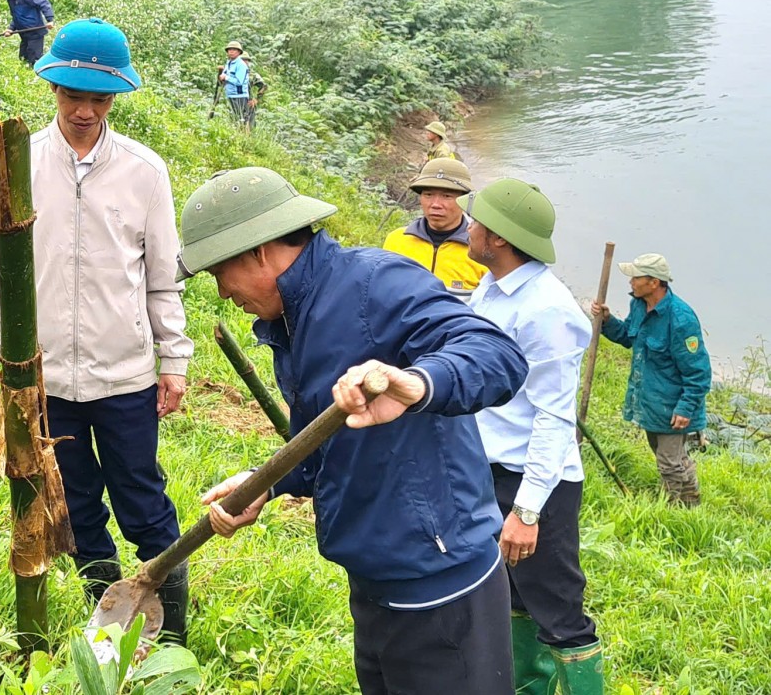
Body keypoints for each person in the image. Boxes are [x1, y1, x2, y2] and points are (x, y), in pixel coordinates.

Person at [183, 166, 528, 695]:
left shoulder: (376, 283)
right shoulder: (294, 316)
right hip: (374, 578)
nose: (223, 293)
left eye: (217, 273)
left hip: (440, 584)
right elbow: (327, 446)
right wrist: (266, 484)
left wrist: (418, 381)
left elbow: (497, 355)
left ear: (258, 252)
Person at [0, 18, 194, 642]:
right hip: (48, 377)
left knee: (142, 500)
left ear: (114, 99)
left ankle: (170, 633)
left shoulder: (145, 172)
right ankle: (109, 622)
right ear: (52, 90)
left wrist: (174, 361)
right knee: (77, 505)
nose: (84, 110)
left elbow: (163, 278)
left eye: (98, 98)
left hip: (125, 377)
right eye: (72, 95)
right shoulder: (17, 162)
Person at [467, 179, 603, 695]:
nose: (469, 229)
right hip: (494, 468)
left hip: (535, 480)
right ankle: (530, 687)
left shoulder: (546, 311)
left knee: (557, 608)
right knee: (513, 597)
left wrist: (527, 511)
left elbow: (553, 417)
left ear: (499, 238)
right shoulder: (494, 289)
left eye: (476, 222)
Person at [590, 254, 711, 507]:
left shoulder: (681, 319)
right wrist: (607, 321)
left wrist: (685, 407)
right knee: (670, 457)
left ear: (654, 282)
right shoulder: (638, 305)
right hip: (650, 403)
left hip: (673, 406)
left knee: (669, 463)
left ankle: (671, 510)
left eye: (636, 277)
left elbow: (698, 372)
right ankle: (692, 503)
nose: (631, 282)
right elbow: (627, 336)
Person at [382, 158, 487, 301]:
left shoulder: (481, 249)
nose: (435, 204)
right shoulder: (396, 240)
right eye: (428, 195)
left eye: (447, 196)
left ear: (465, 200)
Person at [0, 0, 54, 66]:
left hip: (35, 33)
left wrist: (50, 20)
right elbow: (16, 16)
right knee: (23, 59)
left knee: (34, 61)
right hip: (24, 34)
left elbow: (44, 3)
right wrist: (10, 28)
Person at [219, 42, 251, 126]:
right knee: (233, 119)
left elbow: (239, 82)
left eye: (234, 50)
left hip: (240, 96)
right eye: (229, 50)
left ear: (239, 52)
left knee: (242, 119)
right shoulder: (228, 63)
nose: (231, 52)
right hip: (230, 95)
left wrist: (226, 77)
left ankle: (244, 136)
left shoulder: (241, 65)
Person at [241, 56, 268, 130]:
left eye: (246, 60)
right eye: (242, 60)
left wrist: (256, 99)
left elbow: (264, 86)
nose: (244, 62)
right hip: (235, 102)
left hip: (248, 103)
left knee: (250, 126)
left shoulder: (252, 75)